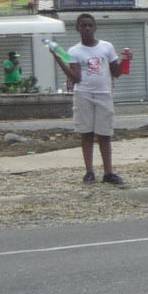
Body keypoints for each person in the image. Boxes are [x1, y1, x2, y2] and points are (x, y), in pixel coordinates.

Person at [55, 13, 125, 184]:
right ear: (77, 28)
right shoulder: (74, 51)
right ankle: (89, 172)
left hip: (104, 93)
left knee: (104, 134)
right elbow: (76, 77)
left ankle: (108, 172)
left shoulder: (107, 47)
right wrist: (59, 59)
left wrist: (125, 61)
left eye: (89, 25)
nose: (87, 28)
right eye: (83, 25)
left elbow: (116, 72)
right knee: (87, 133)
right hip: (83, 94)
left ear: (95, 27)